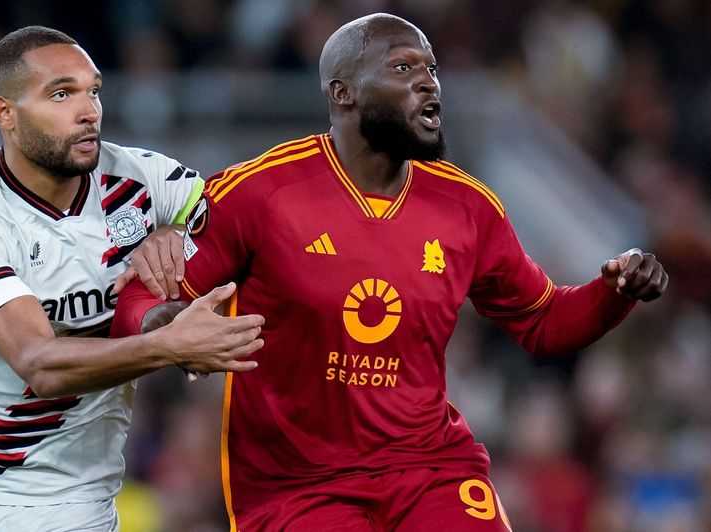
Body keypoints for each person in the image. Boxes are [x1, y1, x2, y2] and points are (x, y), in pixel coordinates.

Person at [111, 13, 668, 531]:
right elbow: (140, 293)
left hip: (431, 470)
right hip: (297, 489)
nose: (429, 83)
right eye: (404, 68)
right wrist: (164, 327)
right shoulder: (259, 193)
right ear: (343, 92)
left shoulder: (468, 208)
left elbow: (542, 321)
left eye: (431, 69)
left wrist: (612, 294)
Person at [0, 26, 264, 531]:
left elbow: (249, 227)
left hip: (74, 503)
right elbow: (39, 363)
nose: (89, 110)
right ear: (4, 113)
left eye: (93, 90)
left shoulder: (145, 182)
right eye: (61, 93)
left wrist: (178, 234)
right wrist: (169, 345)